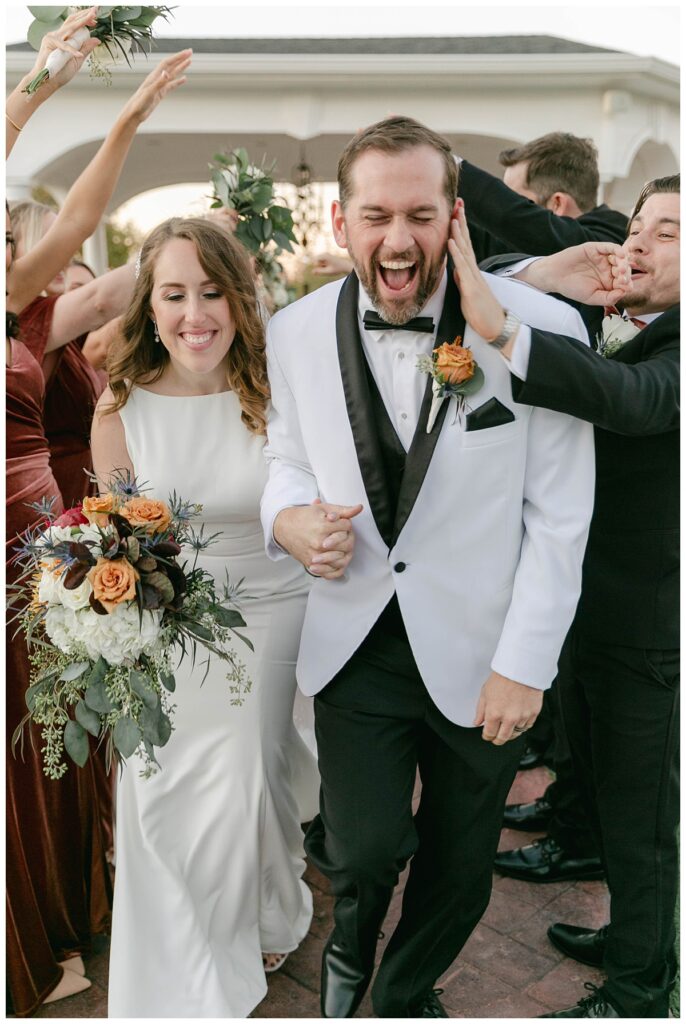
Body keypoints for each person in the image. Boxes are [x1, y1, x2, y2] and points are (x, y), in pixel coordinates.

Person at [260, 114, 595, 1019]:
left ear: (456, 217)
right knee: (362, 851)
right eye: (375, 216)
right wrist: (284, 515)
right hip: (354, 638)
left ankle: (398, 998)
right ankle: (352, 948)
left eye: (420, 214)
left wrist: (525, 666)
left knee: (458, 867)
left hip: (487, 651)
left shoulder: (541, 328)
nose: (398, 239)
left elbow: (560, 517)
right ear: (341, 224)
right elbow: (286, 456)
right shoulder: (290, 331)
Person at [449, 174, 679, 1018]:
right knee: (603, 784)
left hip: (650, 617)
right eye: (643, 226)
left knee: (646, 817)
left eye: (671, 232)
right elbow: (522, 238)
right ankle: (632, 938)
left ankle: (643, 988)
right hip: (589, 605)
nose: (643, 243)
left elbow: (633, 400)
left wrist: (504, 330)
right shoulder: (615, 319)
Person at [6, 17, 191, 1015]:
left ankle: (68, 906)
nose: (7, 244)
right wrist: (36, 84)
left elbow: (76, 227)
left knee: (53, 727)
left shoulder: (15, 305)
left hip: (37, 540)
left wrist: (124, 116)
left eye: (7, 232)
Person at [90, 217, 319, 1018]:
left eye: (213, 292)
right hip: (169, 616)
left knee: (249, 774)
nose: (196, 314)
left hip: (273, 608)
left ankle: (251, 918)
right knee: (156, 793)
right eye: (175, 294)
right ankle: (179, 949)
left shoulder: (275, 390)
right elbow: (117, 537)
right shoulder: (120, 404)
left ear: (240, 299)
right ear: (148, 308)